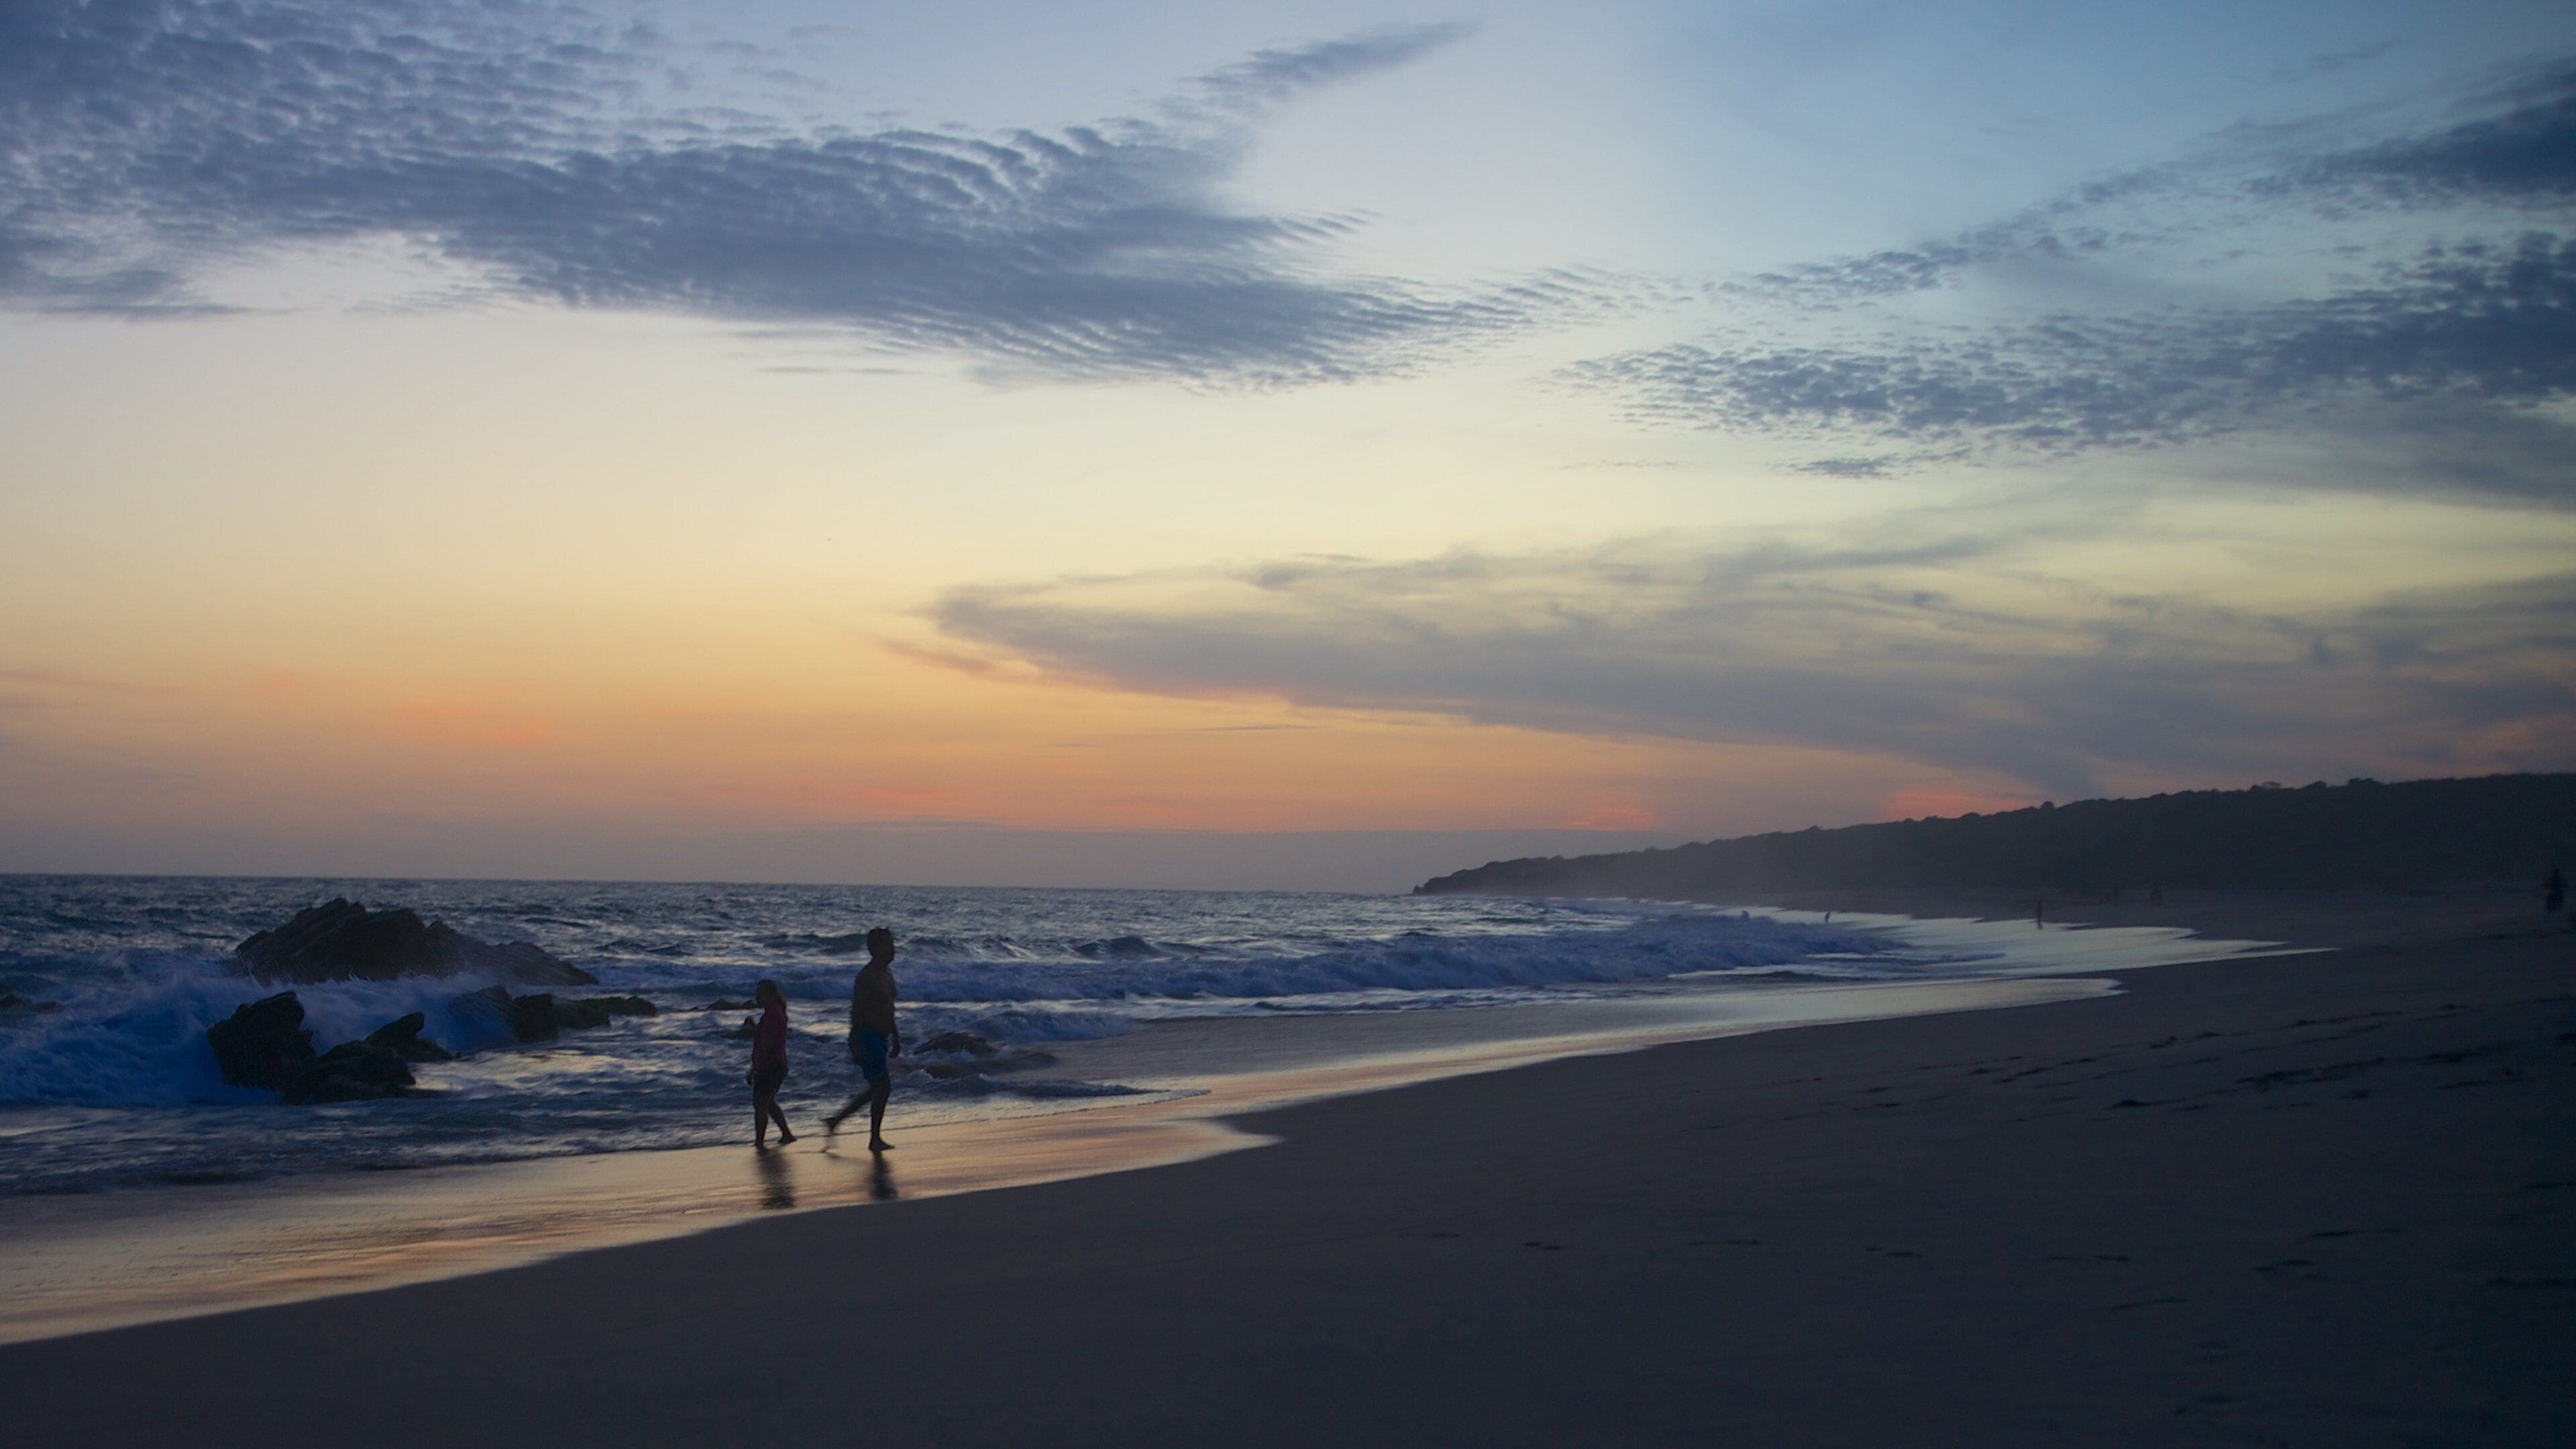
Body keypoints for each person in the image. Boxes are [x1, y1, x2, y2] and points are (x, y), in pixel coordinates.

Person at [824, 928, 902, 1152]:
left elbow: (889, 1008)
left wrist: (896, 1037)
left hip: (882, 1037)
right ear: (875, 948)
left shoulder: (887, 974)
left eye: (893, 943)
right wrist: (856, 1044)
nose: (893, 948)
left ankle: (835, 1121)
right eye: (888, 944)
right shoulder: (866, 977)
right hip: (867, 1036)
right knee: (882, 1087)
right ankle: (873, 1139)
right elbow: (856, 1012)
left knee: (877, 1088)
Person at [748, 978, 796, 1148]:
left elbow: (768, 1044)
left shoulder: (773, 1015)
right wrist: (754, 1028)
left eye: (761, 993)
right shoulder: (773, 1013)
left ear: (771, 994)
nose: (758, 997)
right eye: (757, 993)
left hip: (771, 1065)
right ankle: (786, 1134)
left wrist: (755, 1068)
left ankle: (759, 1141)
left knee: (760, 1104)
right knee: (767, 1103)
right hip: (776, 1064)